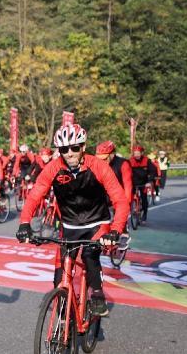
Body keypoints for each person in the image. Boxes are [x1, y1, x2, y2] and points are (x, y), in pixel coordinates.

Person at [16, 124, 128, 316]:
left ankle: (98, 296)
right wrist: (25, 223)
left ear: (83, 147)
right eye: (64, 149)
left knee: (89, 256)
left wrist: (116, 230)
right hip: (69, 225)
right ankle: (62, 316)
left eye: (74, 147)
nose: (69, 153)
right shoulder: (54, 168)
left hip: (97, 224)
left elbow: (120, 200)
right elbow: (35, 196)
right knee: (60, 271)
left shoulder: (98, 166)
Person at [129, 145, 157, 224]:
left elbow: (153, 170)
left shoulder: (146, 160)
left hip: (144, 183)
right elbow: (126, 172)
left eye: (138, 153)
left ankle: (144, 214)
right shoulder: (130, 161)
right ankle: (133, 208)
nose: (137, 155)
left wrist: (150, 181)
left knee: (144, 199)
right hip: (133, 183)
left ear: (142, 153)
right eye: (135, 153)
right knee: (130, 197)